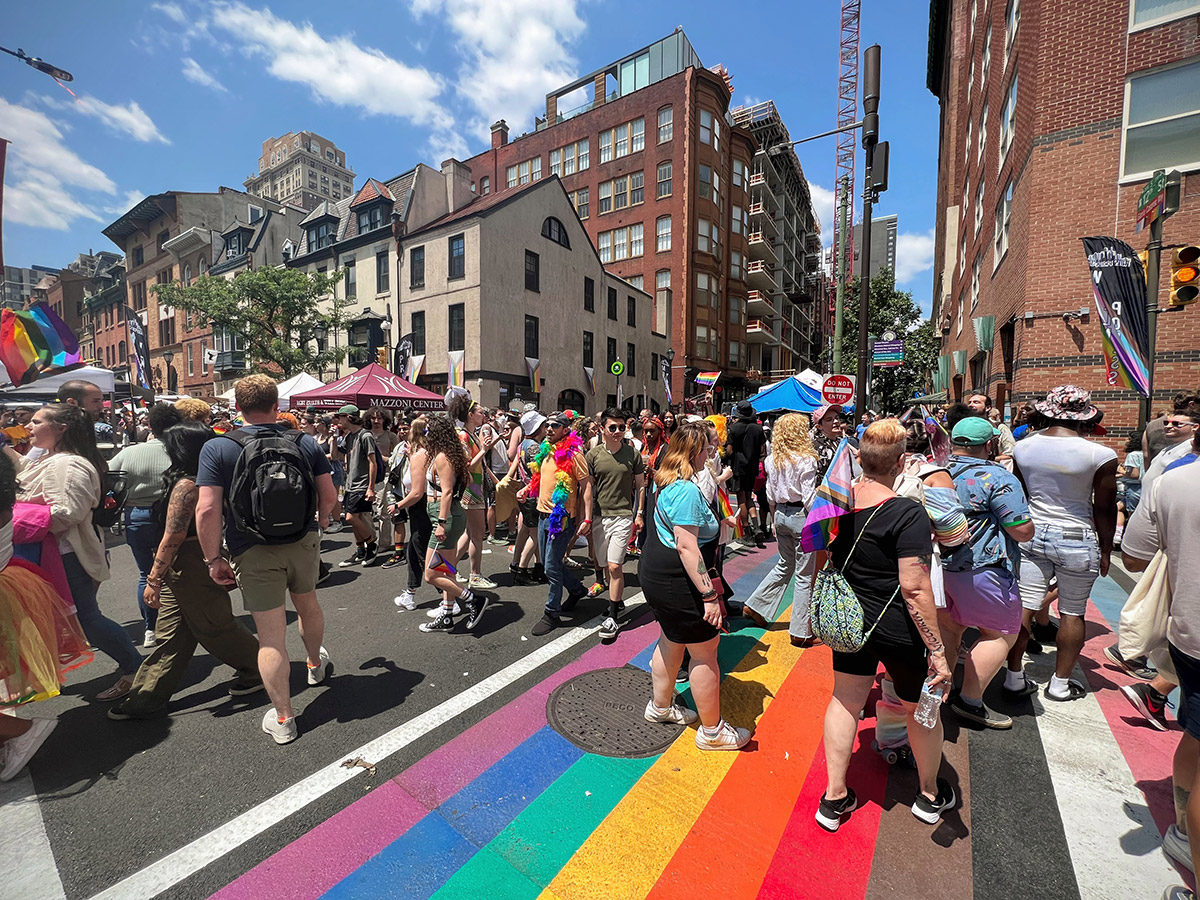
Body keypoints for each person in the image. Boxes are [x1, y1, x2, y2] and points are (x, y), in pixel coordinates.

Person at [815, 419, 954, 832]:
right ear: (900, 462)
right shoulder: (906, 512)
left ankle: (833, 798)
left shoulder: (833, 501)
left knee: (845, 701)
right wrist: (939, 651)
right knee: (921, 710)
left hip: (846, 620)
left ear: (860, 458)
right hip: (897, 627)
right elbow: (914, 587)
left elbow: (818, 555)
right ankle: (929, 795)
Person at [196, 374, 336, 745]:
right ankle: (315, 665)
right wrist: (321, 521)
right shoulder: (304, 441)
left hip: (251, 548)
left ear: (237, 408)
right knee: (308, 606)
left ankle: (284, 718)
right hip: (303, 540)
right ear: (277, 405)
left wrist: (213, 559)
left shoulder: (218, 448)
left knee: (271, 637)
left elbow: (207, 509)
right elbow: (329, 494)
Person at [108, 422, 263, 720]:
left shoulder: (187, 485)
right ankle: (147, 696)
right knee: (173, 634)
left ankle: (262, 666)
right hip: (188, 561)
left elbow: (174, 535)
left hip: (190, 561)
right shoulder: (200, 479)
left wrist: (153, 578)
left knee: (215, 626)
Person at [7, 404, 143, 701]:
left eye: (36, 421)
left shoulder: (69, 465)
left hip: (67, 556)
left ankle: (136, 669)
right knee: (55, 620)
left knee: (86, 619)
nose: (28, 426)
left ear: (60, 428)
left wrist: (15, 521)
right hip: (46, 556)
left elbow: (66, 513)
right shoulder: (50, 459)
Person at [640, 421, 752, 751]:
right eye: (706, 449)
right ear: (693, 452)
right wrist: (709, 594)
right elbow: (687, 546)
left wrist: (722, 522)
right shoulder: (686, 489)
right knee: (704, 652)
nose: (711, 453)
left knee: (672, 639)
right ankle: (713, 732)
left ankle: (660, 707)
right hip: (680, 582)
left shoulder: (664, 479)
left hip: (657, 576)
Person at [1121, 429, 1200, 893]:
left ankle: (1185, 833)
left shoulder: (1172, 479)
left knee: (1194, 732)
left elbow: (1133, 556)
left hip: (1189, 632)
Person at [1008, 385, 1118, 702]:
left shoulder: (1024, 447)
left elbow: (1019, 495)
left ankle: (1014, 676)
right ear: (1083, 415)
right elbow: (1104, 508)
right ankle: (1060, 684)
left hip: (1032, 532)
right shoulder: (1100, 455)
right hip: (1077, 536)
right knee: (1072, 612)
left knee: (1025, 607)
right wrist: (1107, 550)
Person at [0, 451, 92, 781]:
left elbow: (67, 512)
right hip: (13, 580)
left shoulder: (67, 464)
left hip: (15, 579)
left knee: (93, 620)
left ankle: (18, 730)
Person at [939, 418, 1035, 729]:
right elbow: (1020, 530)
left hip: (938, 568)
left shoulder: (934, 471)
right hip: (982, 567)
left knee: (949, 631)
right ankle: (970, 701)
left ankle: (942, 689)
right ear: (989, 444)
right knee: (1000, 635)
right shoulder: (997, 477)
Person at [110, 403, 183, 649]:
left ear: (149, 424)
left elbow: (109, 479)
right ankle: (179, 623)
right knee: (176, 570)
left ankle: (150, 628)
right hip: (175, 515)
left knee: (146, 574)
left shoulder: (130, 453)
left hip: (138, 514)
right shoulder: (183, 452)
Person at [743, 413, 820, 646]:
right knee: (805, 574)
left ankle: (756, 604)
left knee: (785, 564)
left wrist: (776, 519)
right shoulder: (806, 460)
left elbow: (769, 494)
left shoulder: (772, 459)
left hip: (781, 514)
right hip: (801, 516)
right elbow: (808, 498)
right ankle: (800, 631)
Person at [417, 416, 490, 633]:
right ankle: (447, 614)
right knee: (446, 570)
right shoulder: (451, 454)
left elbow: (448, 491)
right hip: (448, 514)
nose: (426, 436)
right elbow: (466, 480)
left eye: (428, 432)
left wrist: (440, 522)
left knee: (430, 574)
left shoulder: (443, 457)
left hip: (445, 515)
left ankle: (473, 599)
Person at [522, 412, 592, 636]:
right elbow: (541, 478)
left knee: (551, 566)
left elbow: (587, 486)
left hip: (561, 518)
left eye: (555, 425)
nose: (549, 428)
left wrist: (587, 518)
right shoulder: (545, 450)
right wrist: (527, 489)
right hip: (542, 515)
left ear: (565, 429)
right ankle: (576, 589)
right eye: (547, 425)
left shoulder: (574, 454)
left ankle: (552, 612)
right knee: (551, 562)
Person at [585, 408, 646, 643]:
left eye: (622, 427)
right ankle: (617, 602)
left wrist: (638, 514)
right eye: (613, 427)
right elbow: (588, 489)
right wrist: (588, 518)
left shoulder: (633, 454)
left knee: (614, 566)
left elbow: (640, 485)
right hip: (600, 517)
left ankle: (612, 616)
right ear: (602, 429)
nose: (618, 432)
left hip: (622, 516)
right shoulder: (593, 456)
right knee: (601, 562)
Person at [446, 391, 500, 590]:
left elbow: (481, 465)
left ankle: (449, 568)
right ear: (470, 415)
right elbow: (467, 465)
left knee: (470, 534)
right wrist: (484, 450)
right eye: (480, 412)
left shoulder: (471, 434)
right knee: (477, 533)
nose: (483, 414)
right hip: (470, 490)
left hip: (476, 488)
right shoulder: (463, 436)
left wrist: (495, 482)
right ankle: (475, 575)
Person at [390, 416, 431, 611]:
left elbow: (417, 491)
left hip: (421, 509)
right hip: (417, 511)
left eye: (408, 429)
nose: (403, 432)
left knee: (428, 558)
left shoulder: (420, 455)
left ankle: (453, 595)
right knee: (413, 553)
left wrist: (398, 505)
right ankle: (410, 592)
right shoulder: (418, 454)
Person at [334, 405, 380, 567]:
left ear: (348, 417)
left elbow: (372, 462)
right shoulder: (349, 436)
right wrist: (334, 436)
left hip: (361, 485)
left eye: (340, 417)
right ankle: (360, 551)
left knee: (350, 517)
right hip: (350, 484)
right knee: (356, 519)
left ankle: (372, 545)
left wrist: (371, 487)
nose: (338, 420)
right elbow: (335, 455)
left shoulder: (364, 436)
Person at [509, 410, 548, 586]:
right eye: (544, 425)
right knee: (536, 535)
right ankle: (523, 570)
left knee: (525, 530)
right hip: (533, 494)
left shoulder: (522, 444)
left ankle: (518, 564)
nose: (547, 428)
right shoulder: (534, 447)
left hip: (525, 493)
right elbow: (538, 474)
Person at [728, 401, 767, 547]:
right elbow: (763, 450)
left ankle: (747, 532)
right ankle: (756, 526)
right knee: (749, 496)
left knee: (741, 499)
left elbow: (730, 451)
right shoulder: (758, 429)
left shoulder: (733, 429)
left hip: (738, 466)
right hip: (753, 466)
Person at [365, 408, 399, 562]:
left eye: (379, 418)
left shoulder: (391, 436)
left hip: (384, 476)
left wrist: (380, 458)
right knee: (365, 512)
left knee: (382, 510)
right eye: (373, 418)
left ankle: (384, 542)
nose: (376, 421)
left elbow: (397, 458)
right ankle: (370, 540)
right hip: (365, 476)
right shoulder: (365, 435)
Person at [314, 415, 344, 532]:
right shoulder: (317, 437)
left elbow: (334, 455)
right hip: (321, 469)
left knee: (334, 495)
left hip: (333, 469)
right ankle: (325, 518)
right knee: (320, 495)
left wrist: (320, 457)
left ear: (324, 425)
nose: (315, 425)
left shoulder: (332, 438)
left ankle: (337, 521)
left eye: (318, 423)